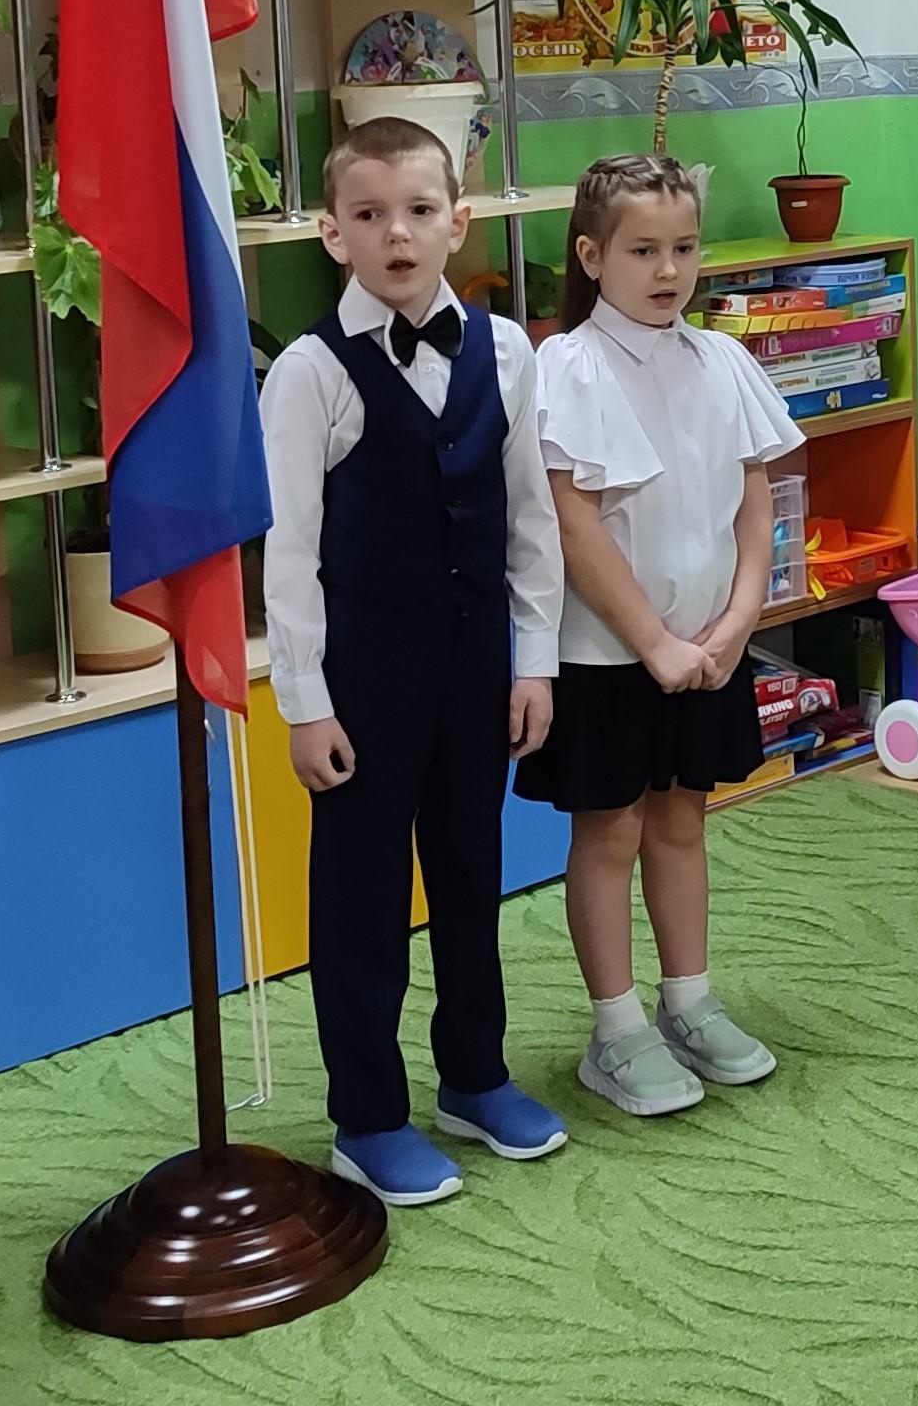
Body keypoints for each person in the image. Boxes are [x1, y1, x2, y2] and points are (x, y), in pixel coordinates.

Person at [259, 117, 568, 1206]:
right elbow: (288, 553)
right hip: (363, 679)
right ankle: (369, 1115)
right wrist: (304, 702)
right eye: (370, 214)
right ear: (332, 233)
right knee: (362, 897)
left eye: (420, 210)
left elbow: (531, 519)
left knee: (473, 875)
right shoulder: (309, 373)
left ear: (458, 221)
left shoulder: (506, 349)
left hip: (476, 663)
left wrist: (535, 662)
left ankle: (474, 1076)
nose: (397, 233)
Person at [514, 154, 803, 1116]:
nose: (669, 269)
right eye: (643, 251)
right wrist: (654, 642)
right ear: (592, 256)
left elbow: (757, 503)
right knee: (613, 829)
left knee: (683, 820)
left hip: (709, 648)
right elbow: (573, 524)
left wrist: (738, 621)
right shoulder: (568, 366)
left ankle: (689, 1002)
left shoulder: (723, 359)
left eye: (684, 247)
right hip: (607, 654)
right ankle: (617, 1030)